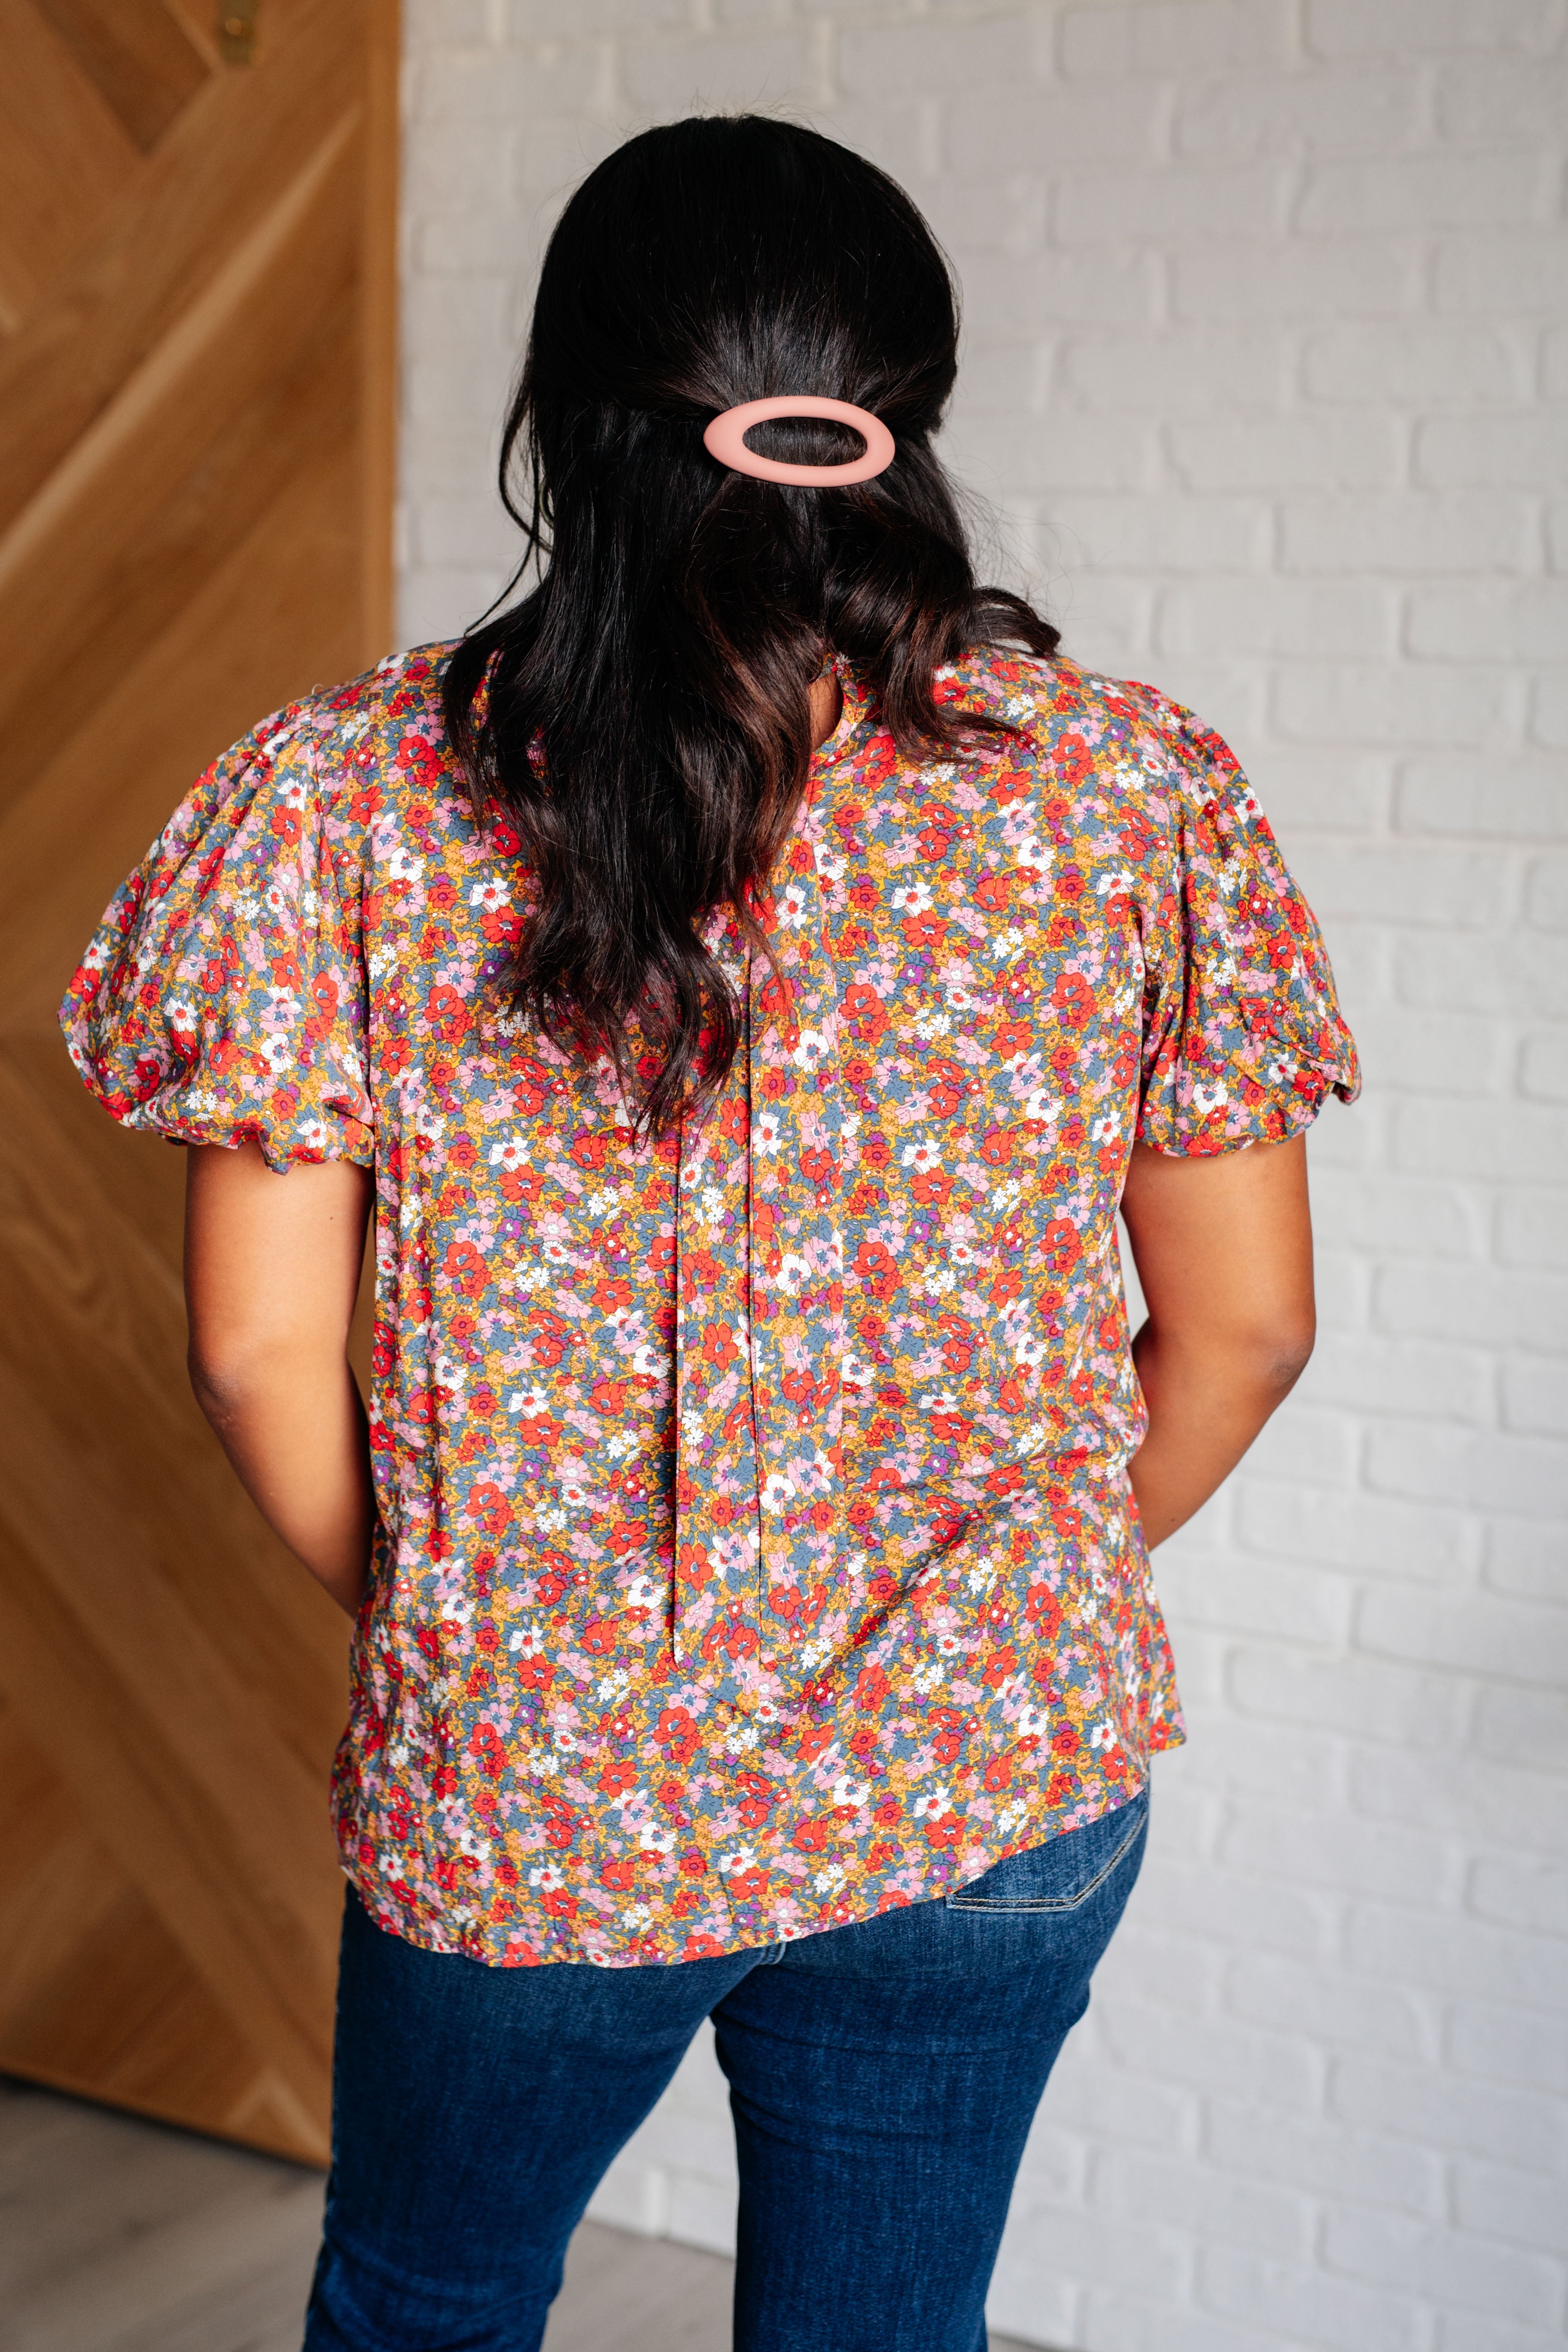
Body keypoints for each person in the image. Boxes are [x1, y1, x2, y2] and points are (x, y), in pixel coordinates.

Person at [61, 114, 1358, 2352]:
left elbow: (258, 1357)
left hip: (545, 1786)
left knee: (428, 2302)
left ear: (562, 419)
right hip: (992, 1769)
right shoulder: (1134, 789)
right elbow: (1240, 1332)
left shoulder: (342, 794)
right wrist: (993, 1593)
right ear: (901, 407)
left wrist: (491, 1633)